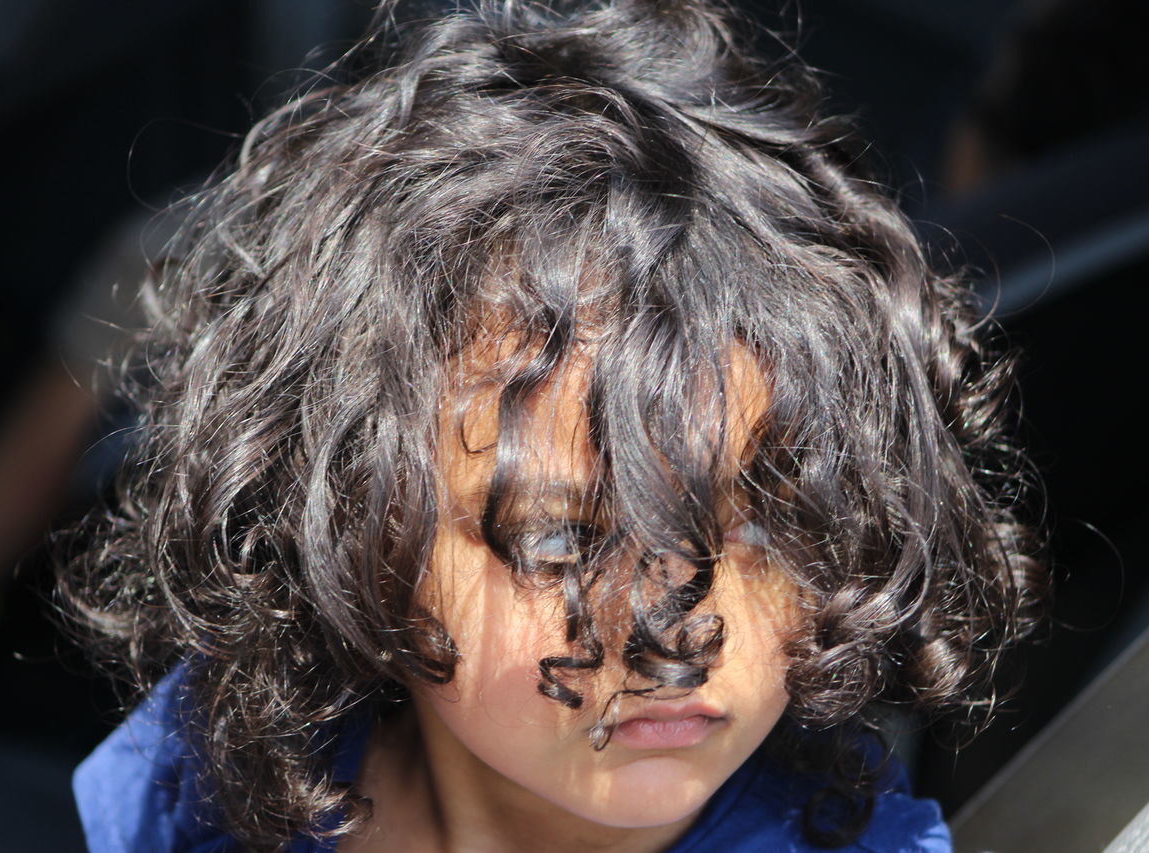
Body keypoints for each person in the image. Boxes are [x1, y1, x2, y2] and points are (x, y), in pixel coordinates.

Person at [60, 1, 1046, 850]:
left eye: (759, 523)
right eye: (555, 539)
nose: (677, 635)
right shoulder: (216, 772)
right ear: (356, 526)